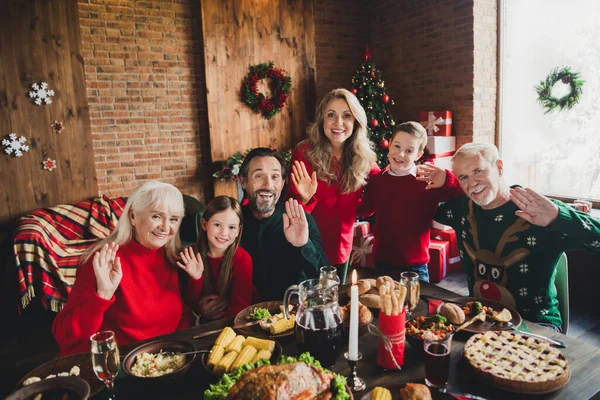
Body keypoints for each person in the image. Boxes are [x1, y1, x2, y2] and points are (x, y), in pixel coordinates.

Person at [433, 143, 600, 330]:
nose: (472, 183)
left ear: (499, 167)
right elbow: (420, 208)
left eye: (478, 171)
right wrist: (445, 180)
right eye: (463, 177)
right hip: (481, 318)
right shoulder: (461, 208)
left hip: (536, 323)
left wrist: (557, 217)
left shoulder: (538, 209)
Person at [52, 181, 204, 355]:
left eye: (173, 219)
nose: (165, 227)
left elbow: (182, 310)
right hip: (123, 363)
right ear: (133, 217)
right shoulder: (104, 259)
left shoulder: (171, 255)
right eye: (156, 216)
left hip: (168, 357)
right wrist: (102, 295)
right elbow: (64, 335)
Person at [287, 88, 380, 283]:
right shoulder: (304, 153)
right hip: (309, 245)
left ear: (356, 122)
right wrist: (305, 199)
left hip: (342, 249)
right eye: (331, 115)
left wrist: (353, 209)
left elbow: (377, 198)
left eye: (347, 116)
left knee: (336, 303)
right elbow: (291, 209)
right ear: (322, 120)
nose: (338, 123)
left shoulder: (365, 159)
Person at [358, 122, 464, 281]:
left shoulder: (427, 180)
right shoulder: (376, 180)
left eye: (409, 151)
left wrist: (447, 177)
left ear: (419, 155)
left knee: (417, 304)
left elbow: (462, 191)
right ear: (390, 143)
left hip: (416, 264)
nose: (400, 154)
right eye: (397, 146)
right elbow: (365, 209)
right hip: (382, 260)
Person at [239, 147, 330, 301]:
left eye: (275, 177)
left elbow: (325, 279)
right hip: (243, 313)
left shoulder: (303, 220)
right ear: (243, 182)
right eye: (259, 176)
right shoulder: (232, 223)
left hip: (292, 311)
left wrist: (304, 244)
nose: (268, 184)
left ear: (282, 183)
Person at [191, 196, 252, 321]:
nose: (224, 233)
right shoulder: (191, 255)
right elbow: (188, 300)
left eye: (231, 227)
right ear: (204, 224)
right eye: (217, 225)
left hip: (234, 321)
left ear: (238, 231)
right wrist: (196, 278)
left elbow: (240, 305)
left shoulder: (242, 258)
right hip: (202, 321)